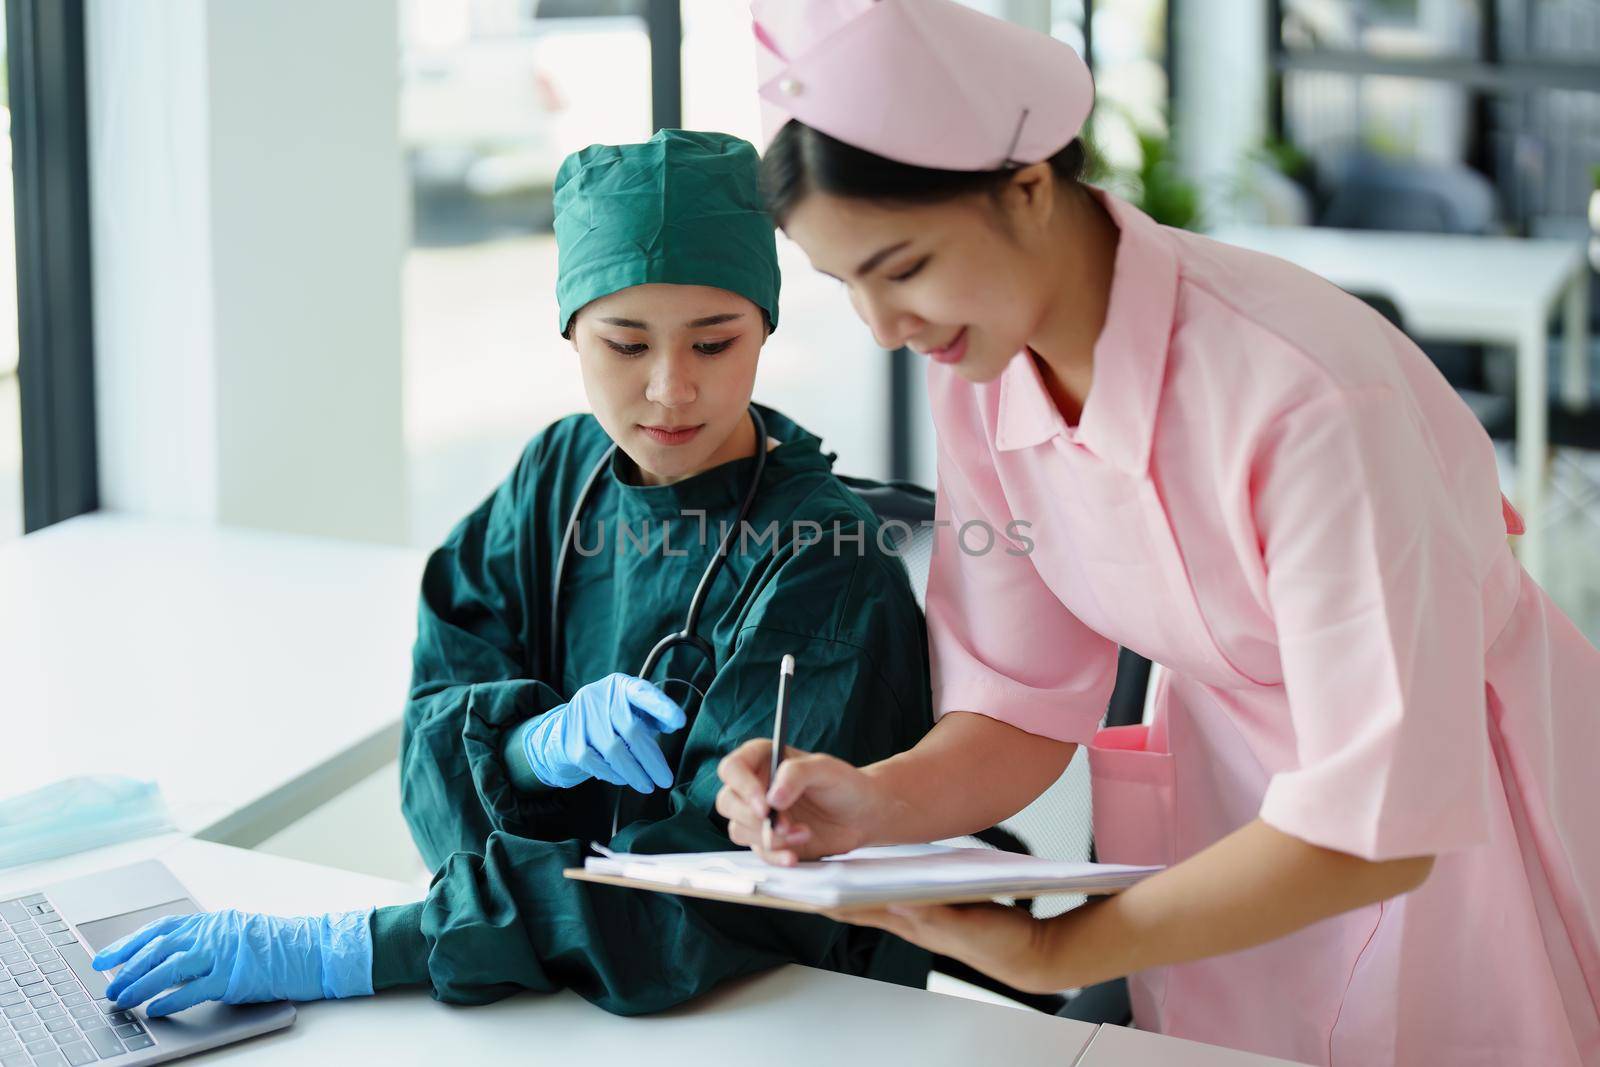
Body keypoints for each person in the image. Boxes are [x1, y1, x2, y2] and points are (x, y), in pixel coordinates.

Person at [715, 3, 1600, 1064]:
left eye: (902, 267)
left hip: (1450, 824)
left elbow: (1382, 823)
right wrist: (871, 800)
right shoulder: (987, 373)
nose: (886, 327)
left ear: (1027, 186)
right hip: (1230, 823)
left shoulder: (1308, 398)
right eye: (846, 285)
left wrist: (1059, 952)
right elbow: (1019, 700)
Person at [90, 129, 933, 1018]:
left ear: (765, 325)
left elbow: (716, 895)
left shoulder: (823, 558)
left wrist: (354, 948)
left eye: (715, 344)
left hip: (789, 1013)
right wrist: (531, 751)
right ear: (571, 331)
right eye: (625, 344)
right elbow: (433, 749)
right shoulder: (555, 481)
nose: (670, 390)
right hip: (552, 991)